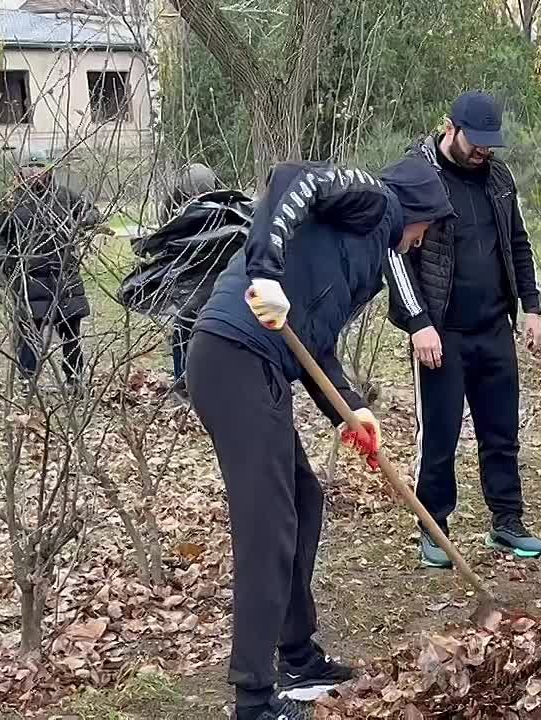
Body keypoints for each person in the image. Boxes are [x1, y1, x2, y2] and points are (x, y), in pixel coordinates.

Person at [187, 157, 452, 720]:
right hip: (233, 355)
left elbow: (310, 343)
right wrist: (264, 271)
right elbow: (291, 177)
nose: (423, 240)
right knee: (269, 525)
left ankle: (297, 656)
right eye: (428, 228)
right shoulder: (374, 201)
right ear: (418, 211)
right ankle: (254, 699)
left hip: (258, 363)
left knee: (304, 501)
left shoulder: (363, 257)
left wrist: (351, 410)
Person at [384, 90, 541, 570]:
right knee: (440, 435)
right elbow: (394, 253)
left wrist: (531, 306)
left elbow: (517, 241)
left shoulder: (499, 177)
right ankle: (434, 528)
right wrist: (418, 322)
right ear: (450, 128)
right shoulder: (418, 175)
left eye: (490, 144)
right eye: (475, 142)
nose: (483, 151)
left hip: (494, 325)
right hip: (441, 332)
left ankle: (507, 521)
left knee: (502, 430)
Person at [0, 154, 107, 391]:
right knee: (29, 334)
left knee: (71, 333)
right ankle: (27, 382)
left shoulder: (64, 196)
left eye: (39, 168)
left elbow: (93, 214)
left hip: (65, 278)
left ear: (49, 171)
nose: (34, 173)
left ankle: (75, 380)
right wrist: (7, 264)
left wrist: (80, 222)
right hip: (29, 281)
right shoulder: (11, 202)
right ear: (20, 173)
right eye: (29, 168)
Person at [162, 163, 225, 402]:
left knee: (185, 329)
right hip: (200, 280)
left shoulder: (187, 210)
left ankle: (186, 380)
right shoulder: (220, 207)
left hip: (195, 281)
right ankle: (186, 381)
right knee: (188, 329)